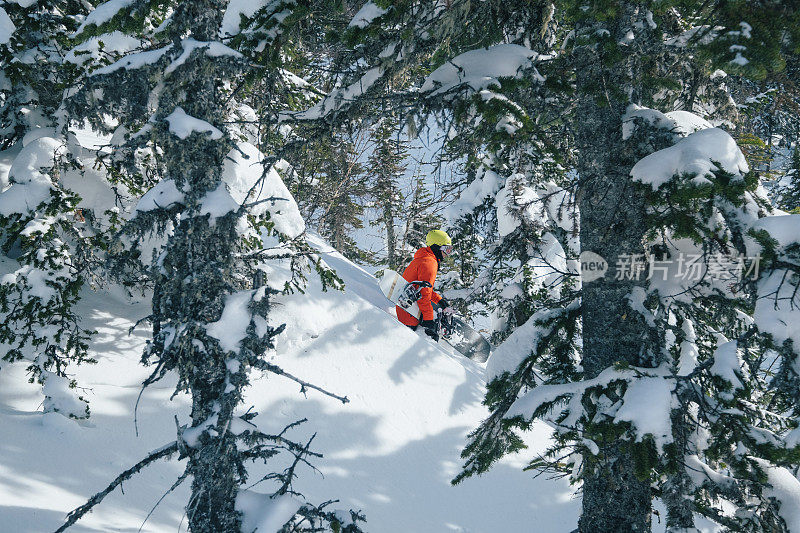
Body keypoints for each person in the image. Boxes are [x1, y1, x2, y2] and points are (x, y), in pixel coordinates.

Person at [396, 229, 453, 341]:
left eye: (449, 250)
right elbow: (423, 294)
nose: (447, 254)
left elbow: (420, 287)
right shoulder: (429, 263)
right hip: (410, 316)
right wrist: (428, 320)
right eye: (446, 249)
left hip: (405, 309)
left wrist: (439, 300)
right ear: (437, 247)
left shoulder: (423, 259)